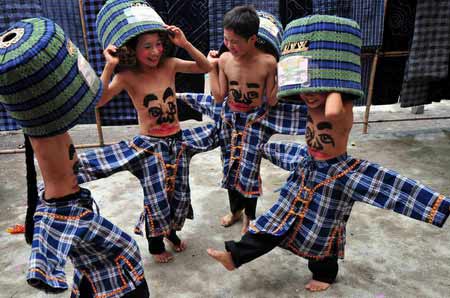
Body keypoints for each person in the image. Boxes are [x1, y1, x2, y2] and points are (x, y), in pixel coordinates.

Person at [207, 15, 450, 292]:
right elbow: (284, 97)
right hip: (308, 165)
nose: (309, 96)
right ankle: (235, 256)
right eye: (306, 90)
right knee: (276, 217)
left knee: (327, 227)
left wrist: (330, 77)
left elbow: (332, 110)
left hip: (338, 172)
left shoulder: (341, 103)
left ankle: (324, 274)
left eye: (317, 89)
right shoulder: (311, 103)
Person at [0, 17, 149, 297]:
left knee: (94, 262)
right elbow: (91, 99)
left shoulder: (41, 118)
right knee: (120, 253)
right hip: (66, 207)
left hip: (71, 195)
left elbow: (90, 97)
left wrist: (109, 66)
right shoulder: (44, 126)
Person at [78, 0, 216, 263]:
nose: (155, 51)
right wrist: (109, 66)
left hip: (177, 141)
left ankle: (172, 232)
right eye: (147, 47)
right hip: (150, 146)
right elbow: (98, 100)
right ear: (132, 49)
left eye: (159, 44)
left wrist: (184, 44)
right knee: (156, 197)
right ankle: (155, 245)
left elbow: (205, 68)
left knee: (179, 193)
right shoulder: (127, 75)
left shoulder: (170, 63)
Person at [180, 6, 306, 235]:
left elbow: (271, 99)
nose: (230, 45)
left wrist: (283, 76)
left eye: (236, 41)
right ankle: (235, 211)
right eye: (226, 39)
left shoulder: (268, 63)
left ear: (253, 39)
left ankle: (250, 217)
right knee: (230, 166)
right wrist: (213, 67)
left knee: (249, 170)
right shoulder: (226, 59)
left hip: (255, 121)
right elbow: (219, 96)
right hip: (230, 120)